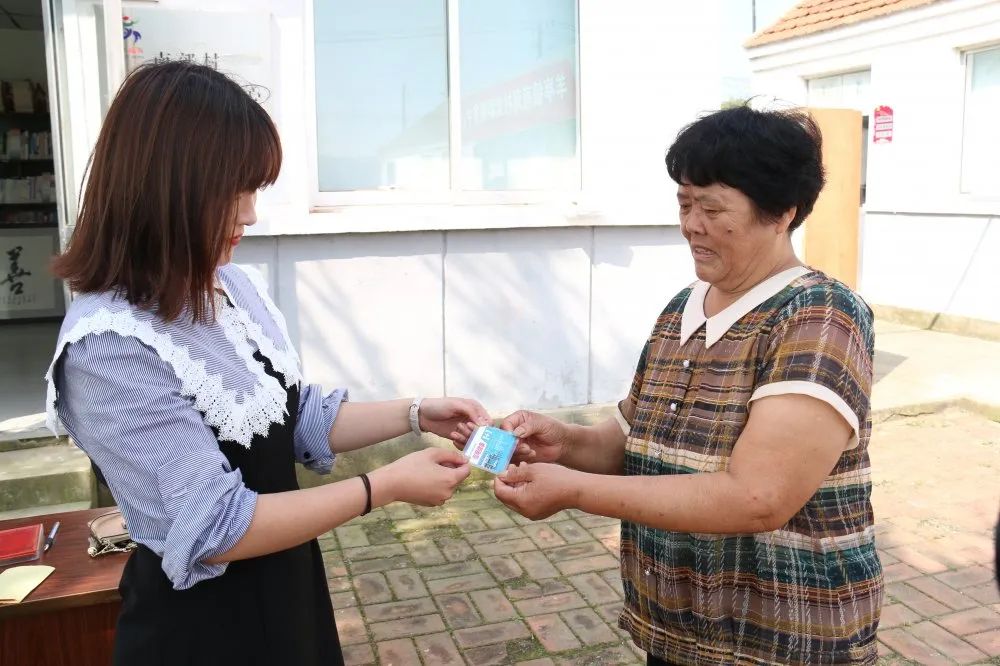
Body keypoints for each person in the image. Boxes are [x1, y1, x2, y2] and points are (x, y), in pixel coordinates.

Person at [45, 62, 487, 666]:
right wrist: (382, 487)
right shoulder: (109, 345)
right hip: (201, 628)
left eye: (254, 190)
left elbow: (289, 417)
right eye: (234, 191)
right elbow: (216, 525)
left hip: (287, 589)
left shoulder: (227, 287)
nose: (250, 214)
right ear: (166, 189)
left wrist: (416, 413)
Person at [478, 105, 883, 664]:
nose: (692, 224)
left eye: (712, 208)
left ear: (783, 213)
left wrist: (571, 491)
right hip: (676, 632)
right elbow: (632, 438)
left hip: (783, 637)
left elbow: (758, 498)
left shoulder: (819, 316)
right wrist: (564, 443)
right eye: (684, 204)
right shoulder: (681, 310)